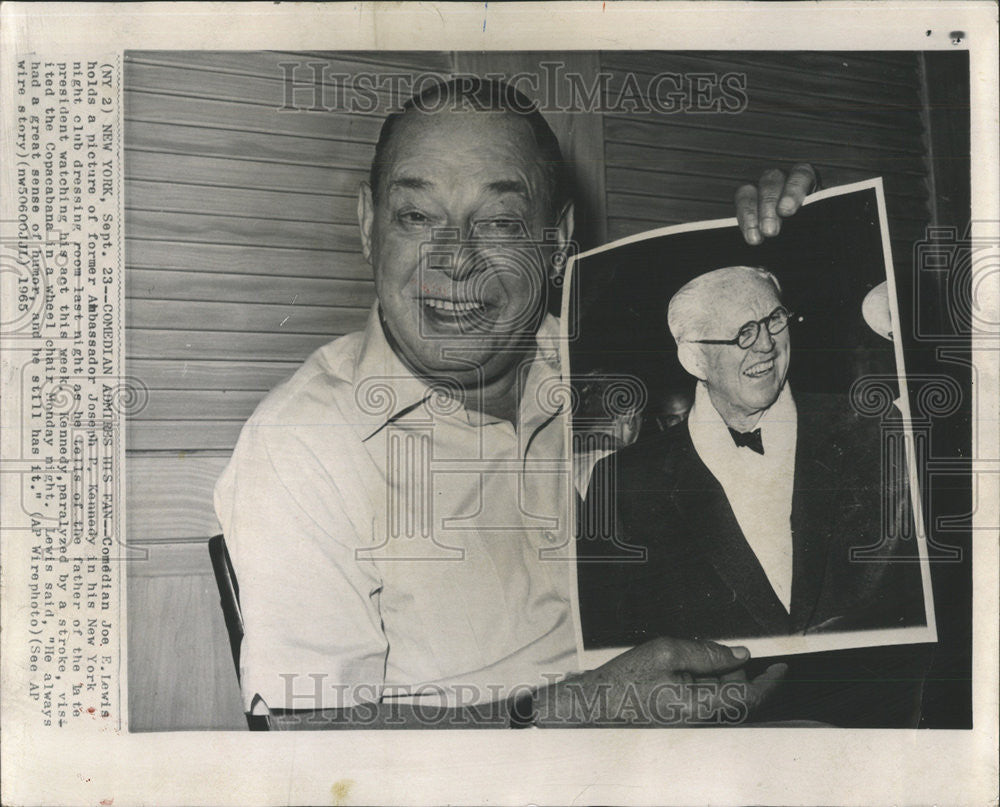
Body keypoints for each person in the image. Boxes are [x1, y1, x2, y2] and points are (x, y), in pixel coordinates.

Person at [214, 78, 817, 729]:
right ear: (368, 226)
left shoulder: (618, 358)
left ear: (557, 241)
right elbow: (311, 741)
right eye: (416, 216)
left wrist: (809, 241)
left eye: (499, 222)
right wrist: (573, 711)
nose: (455, 260)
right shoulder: (303, 443)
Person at [577, 266, 928, 726]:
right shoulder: (623, 482)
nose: (765, 344)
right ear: (694, 359)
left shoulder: (879, 431)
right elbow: (612, 658)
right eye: (742, 333)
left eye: (774, 320)